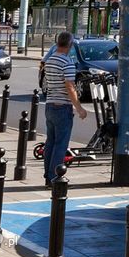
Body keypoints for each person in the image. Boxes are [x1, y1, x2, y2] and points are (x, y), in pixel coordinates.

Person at [42, 30, 88, 186]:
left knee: (50, 142)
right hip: (62, 107)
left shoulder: (50, 61)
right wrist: (79, 108)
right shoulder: (67, 62)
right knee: (60, 144)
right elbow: (69, 86)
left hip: (49, 105)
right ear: (70, 45)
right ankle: (54, 177)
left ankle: (48, 175)